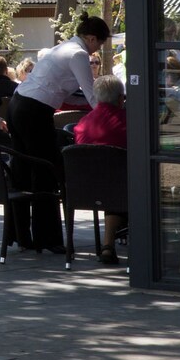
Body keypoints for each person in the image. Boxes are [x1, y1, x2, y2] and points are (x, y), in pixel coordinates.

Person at [8, 13, 111, 253]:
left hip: (18, 105)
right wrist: (112, 113)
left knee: (21, 170)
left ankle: (20, 234)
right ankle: (49, 238)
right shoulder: (78, 54)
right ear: (92, 38)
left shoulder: (63, 47)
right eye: (100, 43)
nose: (98, 50)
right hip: (35, 110)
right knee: (46, 171)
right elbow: (91, 94)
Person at [72, 74, 128, 265]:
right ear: (121, 98)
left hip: (84, 188)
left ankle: (108, 244)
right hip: (119, 188)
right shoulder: (130, 122)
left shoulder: (82, 124)